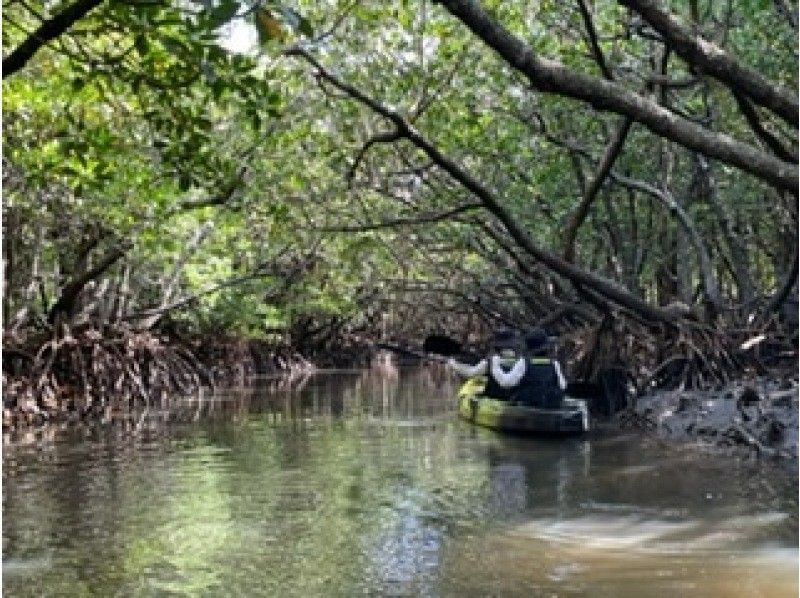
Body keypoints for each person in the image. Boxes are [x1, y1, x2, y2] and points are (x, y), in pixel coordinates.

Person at [447, 328, 526, 400]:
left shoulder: (491, 361)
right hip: (516, 398)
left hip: (496, 398)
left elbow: (470, 373)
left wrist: (452, 363)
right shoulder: (523, 360)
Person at [512, 328, 566, 408]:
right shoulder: (554, 364)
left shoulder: (524, 362)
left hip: (527, 406)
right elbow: (563, 385)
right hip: (549, 407)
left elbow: (509, 382)